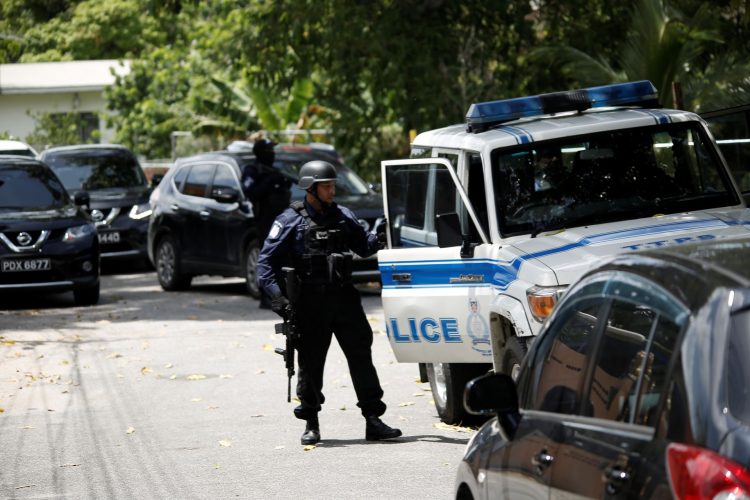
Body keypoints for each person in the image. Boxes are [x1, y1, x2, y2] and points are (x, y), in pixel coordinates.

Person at [257, 160, 402, 445]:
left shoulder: (343, 215)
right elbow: (265, 263)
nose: (333, 190)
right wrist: (279, 298)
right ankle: (311, 422)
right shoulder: (289, 220)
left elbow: (363, 246)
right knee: (311, 365)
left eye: (334, 185)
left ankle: (373, 420)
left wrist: (381, 235)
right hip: (309, 303)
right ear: (311, 188)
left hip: (344, 299)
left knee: (361, 357)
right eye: (327, 186)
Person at [239, 138, 292, 309]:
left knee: (283, 258)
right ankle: (266, 297)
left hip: (282, 220)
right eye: (269, 151)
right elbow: (250, 193)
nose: (273, 154)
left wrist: (283, 183)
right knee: (268, 259)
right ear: (261, 153)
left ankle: (283, 294)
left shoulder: (274, 171)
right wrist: (268, 181)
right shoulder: (252, 170)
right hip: (264, 221)